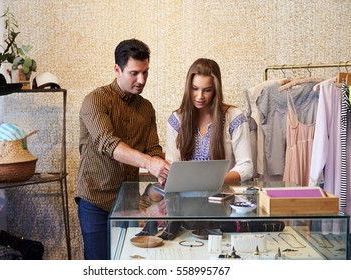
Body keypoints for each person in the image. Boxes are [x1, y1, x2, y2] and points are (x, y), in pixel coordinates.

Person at [137, 58, 253, 240]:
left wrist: (211, 180)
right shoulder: (177, 120)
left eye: (207, 90)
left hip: (222, 205)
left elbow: (246, 166)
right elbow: (173, 165)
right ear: (188, 87)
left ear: (216, 89)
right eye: (195, 89)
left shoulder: (233, 117)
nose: (200, 96)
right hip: (184, 208)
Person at [75, 38, 170, 260]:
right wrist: (149, 163)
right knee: (99, 265)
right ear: (117, 69)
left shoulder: (146, 108)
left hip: (129, 202)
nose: (142, 79)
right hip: (95, 200)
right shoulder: (95, 101)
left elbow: (153, 148)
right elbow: (108, 143)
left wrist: (162, 172)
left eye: (145, 72)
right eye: (134, 73)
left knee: (128, 261)